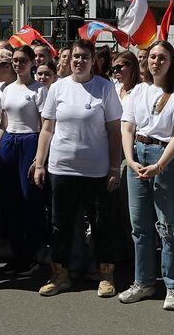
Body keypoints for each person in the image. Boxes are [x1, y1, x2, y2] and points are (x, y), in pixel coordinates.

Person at [32, 39, 124, 298]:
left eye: (84, 56)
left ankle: (105, 274)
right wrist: (39, 163)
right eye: (75, 56)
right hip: (61, 168)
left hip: (97, 171)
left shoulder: (104, 88)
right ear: (68, 59)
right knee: (60, 225)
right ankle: (60, 274)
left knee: (101, 224)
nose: (79, 61)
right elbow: (47, 129)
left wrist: (114, 168)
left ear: (93, 60)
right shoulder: (57, 88)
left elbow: (114, 131)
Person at [120, 41, 174, 310]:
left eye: (162, 58)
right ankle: (143, 281)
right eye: (152, 57)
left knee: (168, 224)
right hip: (138, 155)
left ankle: (173, 285)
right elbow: (127, 127)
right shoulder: (139, 90)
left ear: (171, 61)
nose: (156, 62)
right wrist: (130, 160)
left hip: (167, 158)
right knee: (140, 225)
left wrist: (160, 165)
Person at [0, 46, 48, 277]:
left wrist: (39, 157)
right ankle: (16, 252)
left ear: (32, 62)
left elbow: (45, 126)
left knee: (30, 200)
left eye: (23, 60)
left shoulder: (39, 90)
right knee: (10, 200)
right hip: (9, 142)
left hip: (30, 141)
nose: (18, 64)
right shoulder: (7, 89)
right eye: (15, 60)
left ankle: (31, 253)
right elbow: (3, 122)